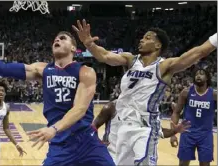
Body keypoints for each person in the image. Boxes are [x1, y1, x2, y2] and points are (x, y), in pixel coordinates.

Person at [72, 19, 217, 165]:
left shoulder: (164, 65)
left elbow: (199, 52)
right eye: (142, 37)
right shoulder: (130, 59)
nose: (141, 40)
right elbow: (104, 56)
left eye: (147, 38)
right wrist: (89, 44)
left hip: (145, 128)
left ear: (158, 45)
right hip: (123, 126)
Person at [0, 31, 115, 166]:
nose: (57, 40)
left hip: (86, 141)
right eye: (55, 39)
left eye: (62, 38)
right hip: (60, 143)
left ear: (73, 48)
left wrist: (53, 129)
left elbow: (80, 109)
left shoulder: (85, 71)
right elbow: (4, 69)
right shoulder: (43, 70)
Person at [92, 100, 191, 163]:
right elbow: (92, 128)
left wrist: (174, 131)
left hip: (131, 159)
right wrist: (98, 143)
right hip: (111, 157)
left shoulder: (146, 112)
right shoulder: (112, 107)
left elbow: (158, 131)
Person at [170, 68, 217, 166]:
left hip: (205, 135)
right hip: (187, 133)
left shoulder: (213, 94)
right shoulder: (186, 92)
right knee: (183, 164)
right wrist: (173, 134)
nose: (198, 76)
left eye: (202, 74)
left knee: (205, 164)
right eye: (196, 74)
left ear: (207, 78)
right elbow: (176, 112)